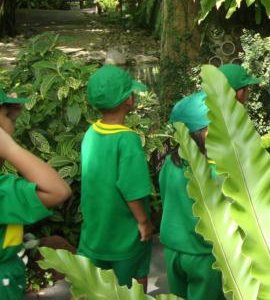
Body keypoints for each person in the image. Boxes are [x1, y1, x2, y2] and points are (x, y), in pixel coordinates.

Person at [78, 65, 153, 289]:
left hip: (94, 233)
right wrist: (143, 222)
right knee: (133, 287)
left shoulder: (91, 133)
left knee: (89, 288)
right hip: (125, 239)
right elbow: (132, 190)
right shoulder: (127, 140)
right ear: (128, 100)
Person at [0, 88, 71, 299]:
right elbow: (58, 191)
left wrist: (9, 118)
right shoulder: (3, 191)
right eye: (7, 116)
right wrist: (10, 148)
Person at [160, 92, 224, 300]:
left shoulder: (170, 163)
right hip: (204, 255)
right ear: (205, 132)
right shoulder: (214, 172)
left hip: (173, 250)